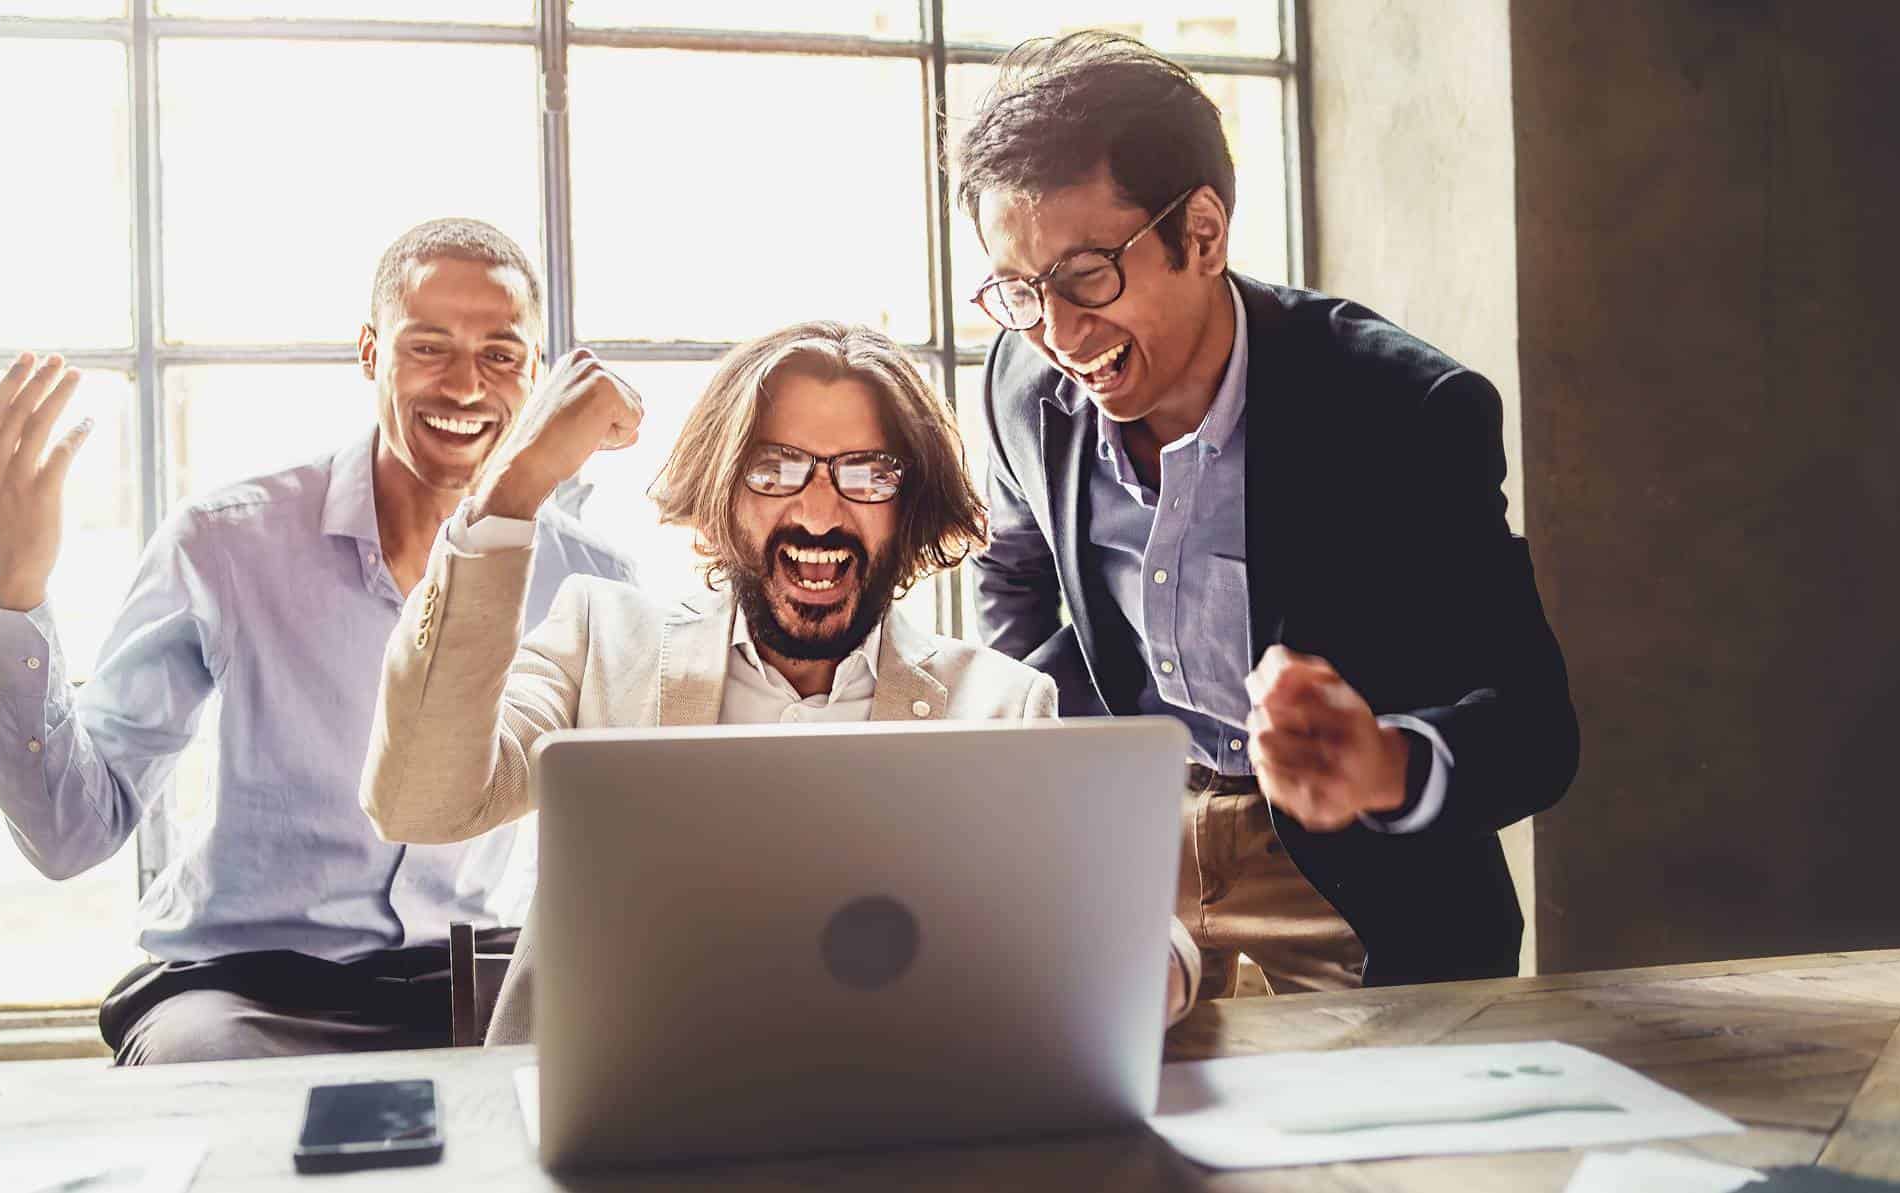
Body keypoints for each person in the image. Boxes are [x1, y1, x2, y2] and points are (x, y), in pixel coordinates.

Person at [956, 33, 1579, 1048]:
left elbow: (1536, 728)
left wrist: (1384, 763)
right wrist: (1043, 754)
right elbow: (1016, 571)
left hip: (1350, 877)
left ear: (1202, 232)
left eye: (1086, 277)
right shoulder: (1021, 384)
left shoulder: (1405, 409)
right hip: (1128, 844)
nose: (1058, 335)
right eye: (1018, 290)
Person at [359, 320, 1204, 1043]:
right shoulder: (599, 639)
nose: (819, 511)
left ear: (909, 506)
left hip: (880, 1137)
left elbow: (1138, 935)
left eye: (868, 472)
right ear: (723, 492)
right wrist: (513, 488)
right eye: (775, 468)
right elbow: (419, 802)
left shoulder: (1001, 704)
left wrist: (1142, 968)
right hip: (614, 1146)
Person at [0, 218, 630, 1063]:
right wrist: (18, 585)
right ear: (370, 352)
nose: (463, 387)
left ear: (538, 377)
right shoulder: (228, 543)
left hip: (479, 985)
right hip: (248, 991)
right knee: (199, 1072)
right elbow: (68, 832)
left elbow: (634, 836)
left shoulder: (587, 578)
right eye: (428, 348)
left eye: (499, 354)